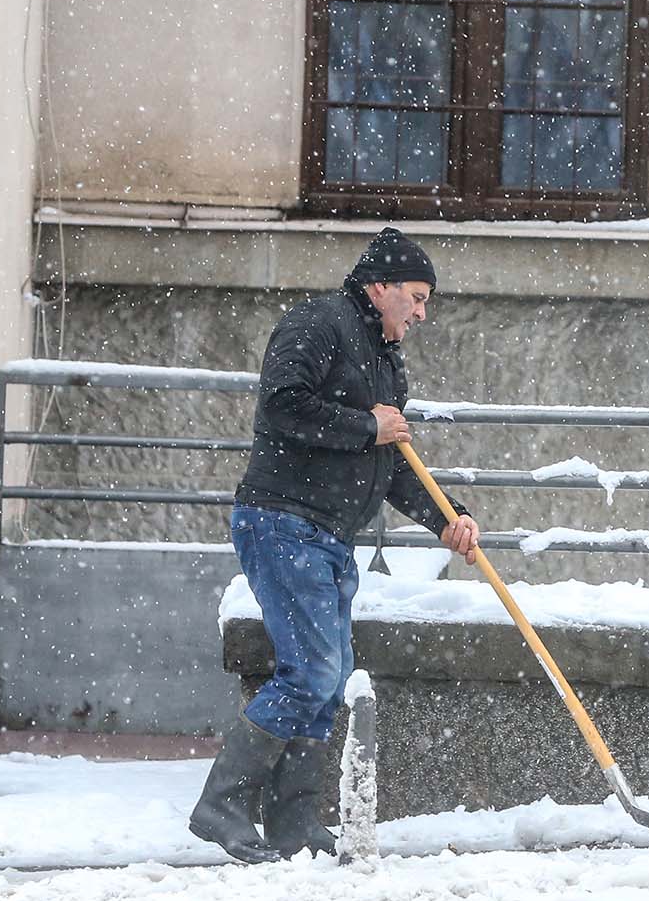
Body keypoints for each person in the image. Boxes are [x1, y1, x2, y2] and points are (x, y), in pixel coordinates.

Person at [190, 227, 480, 863]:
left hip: (328, 536)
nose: (422, 311)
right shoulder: (318, 324)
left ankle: (293, 823)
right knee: (313, 672)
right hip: (282, 521)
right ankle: (222, 807)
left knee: (329, 678)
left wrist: (446, 518)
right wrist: (364, 424)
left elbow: (395, 462)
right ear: (379, 288)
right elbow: (282, 406)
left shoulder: (384, 360)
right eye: (416, 296)